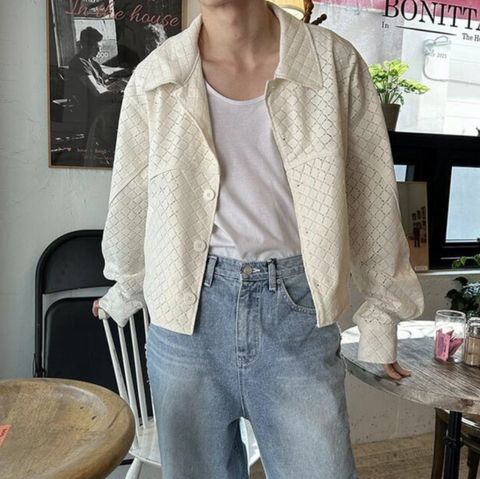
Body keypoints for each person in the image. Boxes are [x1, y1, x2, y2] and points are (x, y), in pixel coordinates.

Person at [92, 1, 425, 477]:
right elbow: (131, 193)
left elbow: (371, 193)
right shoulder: (156, 77)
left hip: (296, 315)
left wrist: (382, 315)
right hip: (184, 322)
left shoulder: (333, 64)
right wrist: (126, 285)